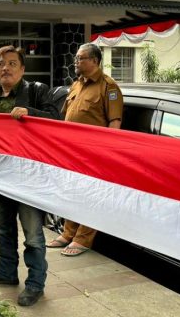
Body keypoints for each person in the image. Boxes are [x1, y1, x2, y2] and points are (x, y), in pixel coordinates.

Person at [0, 45, 60, 307]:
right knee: (2, 228)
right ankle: (7, 272)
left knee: (33, 234)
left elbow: (57, 120)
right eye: (0, 63)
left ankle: (35, 284)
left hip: (28, 178)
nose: (5, 68)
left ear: (22, 69)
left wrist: (30, 113)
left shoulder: (37, 91)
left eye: (12, 63)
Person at [47, 43, 123, 257]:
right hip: (72, 152)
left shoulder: (109, 87)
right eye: (76, 58)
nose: (76, 62)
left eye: (81, 58)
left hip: (95, 154)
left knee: (91, 196)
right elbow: (66, 118)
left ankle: (83, 238)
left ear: (95, 61)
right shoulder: (76, 85)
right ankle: (68, 233)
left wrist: (108, 154)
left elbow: (115, 123)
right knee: (73, 193)